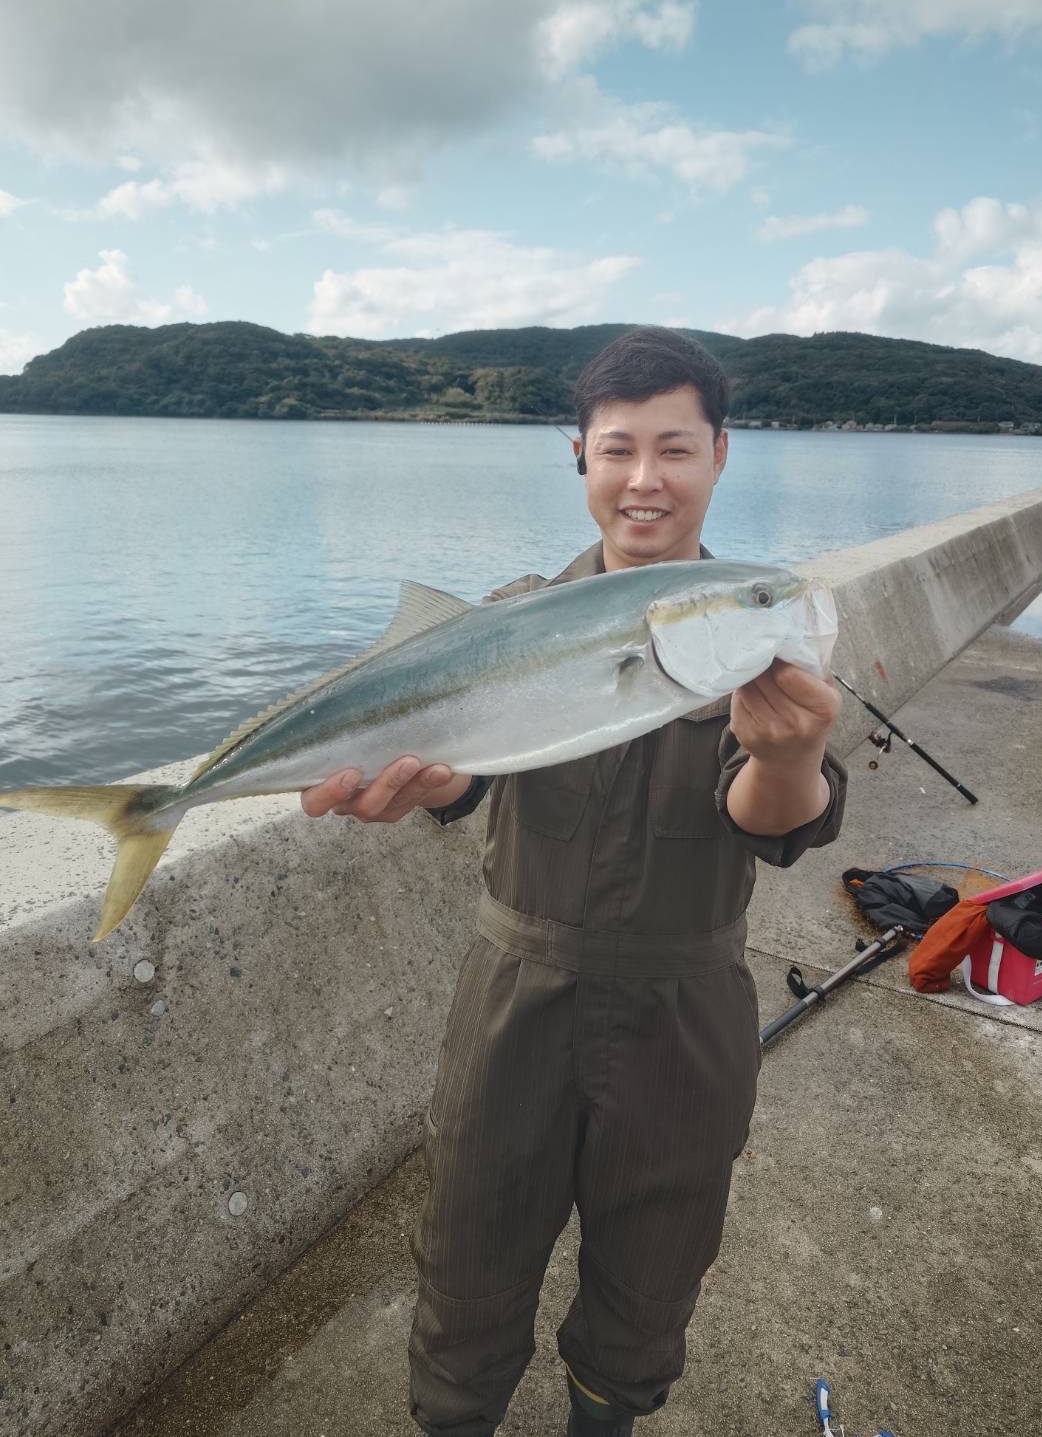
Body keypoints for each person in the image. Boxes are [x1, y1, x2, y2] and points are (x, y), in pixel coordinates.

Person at [300, 327, 846, 1436]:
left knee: (650, 1278)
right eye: (616, 450)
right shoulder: (508, 613)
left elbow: (774, 821)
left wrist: (785, 756)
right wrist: (425, 782)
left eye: (674, 449)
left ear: (721, 455)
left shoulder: (750, 621)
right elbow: (466, 782)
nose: (644, 480)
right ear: (581, 460)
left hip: (682, 1006)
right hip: (515, 990)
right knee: (466, 1255)